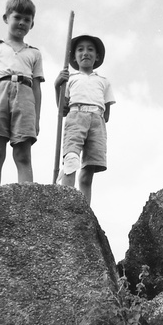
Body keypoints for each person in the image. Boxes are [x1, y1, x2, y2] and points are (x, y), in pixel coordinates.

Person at [0, 0, 45, 188]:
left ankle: (26, 202)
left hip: (24, 98)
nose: (22, 22)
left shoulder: (34, 53)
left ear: (32, 24)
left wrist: (37, 118)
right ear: (6, 18)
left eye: (27, 19)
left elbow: (37, 88)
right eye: (17, 17)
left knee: (23, 155)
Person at [54, 34, 115, 205]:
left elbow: (107, 113)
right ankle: (65, 204)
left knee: (89, 169)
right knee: (71, 160)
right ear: (74, 57)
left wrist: (96, 117)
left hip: (97, 121)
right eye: (80, 49)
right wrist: (57, 86)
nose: (85, 53)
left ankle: (84, 210)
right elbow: (62, 109)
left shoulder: (103, 81)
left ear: (97, 56)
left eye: (90, 49)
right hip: (76, 117)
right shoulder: (71, 79)